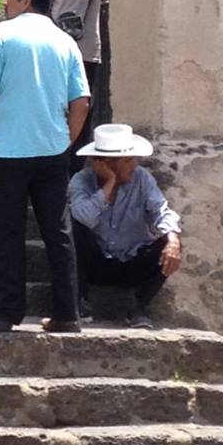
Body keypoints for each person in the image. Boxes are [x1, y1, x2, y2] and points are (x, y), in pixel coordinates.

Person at [0, 0, 90, 336]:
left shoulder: (2, 34)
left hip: (6, 150)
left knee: (7, 231)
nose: (6, 3)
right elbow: (80, 101)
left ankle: (7, 313)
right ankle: (67, 314)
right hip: (51, 151)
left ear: (25, 0)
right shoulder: (65, 41)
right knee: (58, 231)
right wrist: (66, 140)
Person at [70, 122, 182, 327]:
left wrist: (173, 238)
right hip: (95, 262)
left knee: (171, 240)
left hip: (132, 261)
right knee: (72, 227)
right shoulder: (82, 180)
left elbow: (160, 210)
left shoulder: (142, 179)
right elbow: (83, 216)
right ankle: (79, 302)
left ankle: (139, 307)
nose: (134, 165)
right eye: (128, 160)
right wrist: (109, 184)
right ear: (106, 163)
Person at [41, 0, 107, 146]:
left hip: (53, 44)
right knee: (82, 105)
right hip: (88, 45)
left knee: (50, 103)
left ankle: (51, 152)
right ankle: (75, 160)